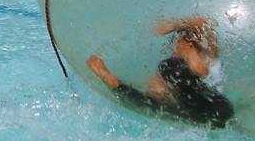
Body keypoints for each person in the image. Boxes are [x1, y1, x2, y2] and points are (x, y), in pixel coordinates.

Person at [86, 16, 234, 129]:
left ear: (188, 43)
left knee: (155, 101)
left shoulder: (175, 68)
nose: (174, 48)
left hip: (204, 114)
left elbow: (143, 100)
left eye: (177, 43)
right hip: (222, 109)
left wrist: (105, 75)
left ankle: (109, 77)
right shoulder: (201, 65)